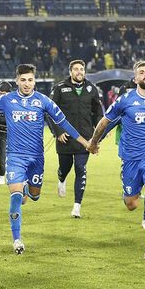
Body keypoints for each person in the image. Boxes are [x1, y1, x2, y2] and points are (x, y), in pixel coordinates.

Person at [0, 64, 89, 255]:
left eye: (30, 80)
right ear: (17, 80)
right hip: (15, 157)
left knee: (33, 196)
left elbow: (63, 122)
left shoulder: (43, 101)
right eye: (23, 80)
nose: (27, 84)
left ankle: (27, 187)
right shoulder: (7, 99)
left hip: (36, 159)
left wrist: (85, 142)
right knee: (16, 197)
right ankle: (16, 239)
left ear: (35, 81)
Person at [87, 60, 145, 261]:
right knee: (131, 204)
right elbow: (105, 121)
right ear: (135, 79)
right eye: (141, 72)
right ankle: (133, 191)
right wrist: (93, 142)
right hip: (131, 160)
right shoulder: (125, 100)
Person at [49, 60, 103, 218]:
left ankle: (77, 206)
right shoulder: (59, 88)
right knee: (65, 168)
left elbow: (98, 113)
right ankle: (61, 178)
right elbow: (50, 112)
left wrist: (96, 134)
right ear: (70, 72)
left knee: (80, 168)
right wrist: (58, 131)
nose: (79, 72)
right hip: (65, 137)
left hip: (85, 138)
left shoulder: (91, 88)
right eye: (76, 69)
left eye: (82, 69)